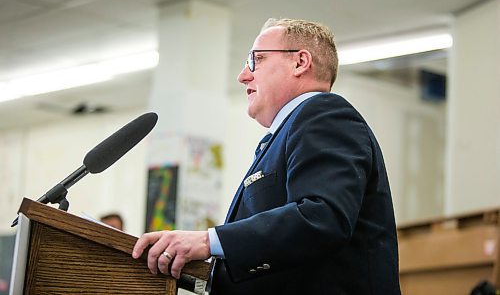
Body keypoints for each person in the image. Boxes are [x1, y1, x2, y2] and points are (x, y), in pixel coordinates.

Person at [133, 18, 401, 294]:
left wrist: (208, 241)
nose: (243, 75)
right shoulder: (287, 133)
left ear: (300, 62)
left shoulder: (324, 114)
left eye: (256, 60)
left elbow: (321, 216)